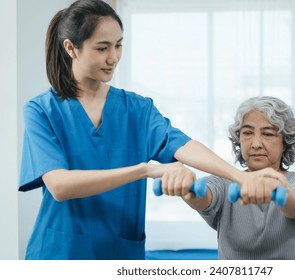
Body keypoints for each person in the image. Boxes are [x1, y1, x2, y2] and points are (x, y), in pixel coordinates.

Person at [18, 0, 276, 260]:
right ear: (71, 48)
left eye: (118, 46)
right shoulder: (42, 110)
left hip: (120, 254)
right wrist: (146, 169)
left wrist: (239, 176)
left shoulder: (136, 109)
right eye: (102, 48)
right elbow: (60, 185)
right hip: (60, 256)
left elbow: (183, 145)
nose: (113, 57)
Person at [172, 96, 295, 259]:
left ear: (285, 141)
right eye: (248, 133)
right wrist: (186, 187)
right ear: (239, 139)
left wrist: (279, 191)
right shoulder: (223, 182)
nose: (256, 143)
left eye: (268, 134)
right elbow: (202, 197)